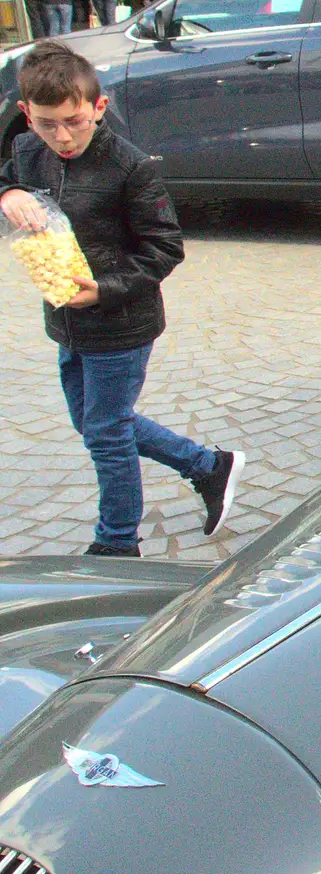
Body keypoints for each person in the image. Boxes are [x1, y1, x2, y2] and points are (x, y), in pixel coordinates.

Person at [0, 42, 245, 556]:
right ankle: (208, 465)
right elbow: (8, 186)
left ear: (99, 107)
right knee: (94, 422)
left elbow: (165, 248)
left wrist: (105, 291)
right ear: (27, 115)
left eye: (74, 121)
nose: (62, 136)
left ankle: (117, 545)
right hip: (65, 318)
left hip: (122, 323)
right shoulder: (26, 151)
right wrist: (9, 194)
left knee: (106, 433)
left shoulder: (131, 168)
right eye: (47, 124)